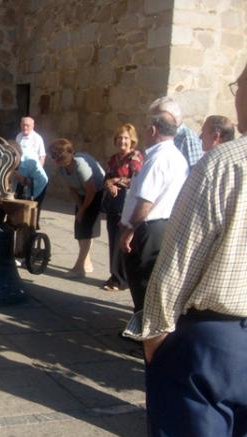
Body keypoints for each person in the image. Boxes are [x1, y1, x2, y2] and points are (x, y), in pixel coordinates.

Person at [123, 64, 247, 437]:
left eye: (238, 87)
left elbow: (178, 260)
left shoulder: (225, 163)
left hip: (216, 343)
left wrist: (155, 333)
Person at [118, 108, 189, 314]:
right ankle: (147, 322)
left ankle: (143, 325)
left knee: (141, 279)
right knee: (149, 280)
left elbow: (146, 201)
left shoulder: (157, 159)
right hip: (164, 224)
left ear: (153, 130)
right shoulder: (177, 157)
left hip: (148, 227)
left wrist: (129, 230)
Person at [49, 138, 104, 278]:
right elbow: (72, 188)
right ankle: (87, 263)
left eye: (59, 157)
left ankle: (79, 268)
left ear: (68, 154)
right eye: (54, 157)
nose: (56, 160)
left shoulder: (80, 164)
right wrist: (80, 208)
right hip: (82, 193)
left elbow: (91, 190)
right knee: (79, 229)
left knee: (86, 231)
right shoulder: (62, 168)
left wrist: (83, 210)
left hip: (97, 192)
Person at [101, 124, 144, 291]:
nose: (122, 141)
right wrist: (109, 184)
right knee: (113, 240)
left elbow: (137, 180)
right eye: (119, 138)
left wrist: (115, 181)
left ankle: (122, 279)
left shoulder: (135, 157)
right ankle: (114, 275)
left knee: (123, 240)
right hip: (114, 204)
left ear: (132, 140)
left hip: (127, 204)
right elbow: (106, 178)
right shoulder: (113, 159)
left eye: (126, 138)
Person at [149, 96, 203, 168]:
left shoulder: (188, 137)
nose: (154, 123)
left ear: (171, 117)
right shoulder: (164, 134)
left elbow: (195, 168)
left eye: (158, 119)